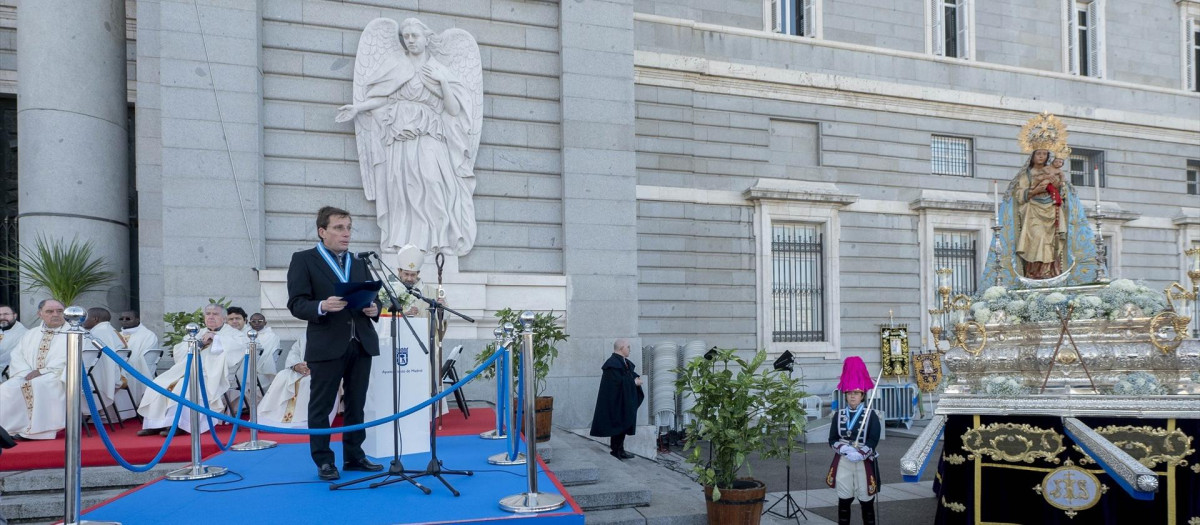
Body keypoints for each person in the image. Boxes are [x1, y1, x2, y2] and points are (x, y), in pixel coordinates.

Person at [336, 17, 480, 256]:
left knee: (434, 184)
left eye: (415, 36)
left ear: (426, 39)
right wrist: (358, 108)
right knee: (400, 188)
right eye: (406, 36)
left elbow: (454, 110)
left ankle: (439, 239)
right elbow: (383, 97)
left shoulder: (438, 70)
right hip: (399, 135)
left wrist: (443, 82)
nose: (410, 41)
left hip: (429, 133)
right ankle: (402, 243)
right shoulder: (397, 66)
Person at [287, 206, 383, 481]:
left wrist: (374, 308)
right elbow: (296, 303)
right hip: (327, 343)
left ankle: (354, 455)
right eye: (339, 228)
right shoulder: (304, 260)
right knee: (322, 405)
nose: (346, 233)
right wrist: (321, 305)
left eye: (349, 228)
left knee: (357, 403)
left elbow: (372, 297)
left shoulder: (360, 262)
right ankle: (324, 461)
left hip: (360, 341)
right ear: (322, 231)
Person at [136, 304, 249, 435]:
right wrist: (197, 344)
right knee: (158, 384)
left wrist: (216, 338)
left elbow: (238, 348)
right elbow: (179, 352)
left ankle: (181, 424)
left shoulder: (233, 334)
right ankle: (156, 424)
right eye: (208, 314)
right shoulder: (197, 331)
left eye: (215, 314)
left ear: (224, 318)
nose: (211, 317)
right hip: (186, 370)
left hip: (213, 373)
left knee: (184, 386)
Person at [0, 299, 68, 440]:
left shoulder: (74, 333)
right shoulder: (31, 334)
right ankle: (10, 430)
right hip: (28, 373)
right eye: (49, 311)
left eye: (59, 311)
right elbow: (18, 356)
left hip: (58, 375)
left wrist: (42, 372)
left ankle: (40, 432)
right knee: (6, 387)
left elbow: (73, 359)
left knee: (39, 385)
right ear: (40, 314)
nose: (55, 314)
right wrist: (25, 373)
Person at [827, 356, 882, 525]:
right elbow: (832, 439)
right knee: (844, 500)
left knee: (866, 502)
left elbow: (873, 439)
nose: (852, 396)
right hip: (844, 460)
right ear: (845, 394)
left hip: (863, 461)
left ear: (862, 395)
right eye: (850, 393)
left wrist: (861, 453)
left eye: (856, 393)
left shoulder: (871, 415)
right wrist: (844, 449)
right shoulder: (839, 415)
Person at [1011, 149, 1071, 279]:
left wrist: (1059, 186)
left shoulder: (1051, 170)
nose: (1041, 157)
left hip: (1051, 208)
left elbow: (1063, 191)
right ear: (1032, 156)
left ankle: (1049, 272)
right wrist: (1035, 191)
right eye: (1038, 154)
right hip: (1033, 210)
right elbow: (1020, 195)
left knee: (1051, 242)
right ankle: (1034, 273)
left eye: (1044, 154)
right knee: (1037, 239)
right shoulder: (1025, 175)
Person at [258, 337, 339, 428]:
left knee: (308, 381)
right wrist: (296, 365)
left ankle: (307, 419)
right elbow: (294, 353)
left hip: (321, 371)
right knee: (282, 375)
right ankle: (273, 417)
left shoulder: (331, 335)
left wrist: (315, 367)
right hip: (299, 369)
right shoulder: (304, 336)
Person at [588, 339, 644, 460]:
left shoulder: (623, 362)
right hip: (616, 401)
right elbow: (617, 382)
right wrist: (634, 382)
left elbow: (625, 376)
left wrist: (635, 377)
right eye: (628, 347)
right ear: (621, 348)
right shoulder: (612, 363)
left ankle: (620, 450)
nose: (630, 349)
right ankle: (616, 450)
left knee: (623, 423)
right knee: (618, 424)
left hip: (623, 400)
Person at [83, 307, 127, 418]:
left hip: (101, 375)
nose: (83, 320)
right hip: (116, 372)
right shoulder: (110, 329)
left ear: (95, 319)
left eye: (85, 317)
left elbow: (86, 358)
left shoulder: (99, 332)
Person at [118, 310, 160, 404]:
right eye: (122, 318)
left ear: (137, 320)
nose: (124, 321)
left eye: (128, 318)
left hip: (137, 369)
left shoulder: (148, 335)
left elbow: (142, 359)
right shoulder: (117, 335)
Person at [247, 313, 280, 391]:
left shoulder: (272, 336)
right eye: (254, 321)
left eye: (260, 321)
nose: (257, 323)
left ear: (265, 323)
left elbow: (270, 355)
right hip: (246, 366)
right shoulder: (244, 334)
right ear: (249, 323)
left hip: (263, 369)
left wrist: (256, 364)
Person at [0, 305, 28, 378]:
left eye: (6, 314)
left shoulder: (24, 334)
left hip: (10, 374)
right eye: (0, 315)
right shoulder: (2, 329)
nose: (2, 317)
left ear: (15, 316)